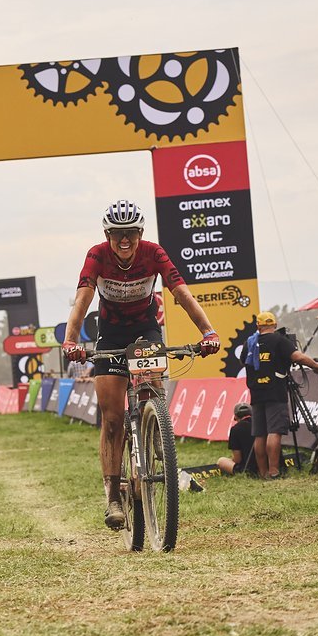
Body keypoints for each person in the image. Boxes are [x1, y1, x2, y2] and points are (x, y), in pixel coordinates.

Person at [61, 201, 221, 529]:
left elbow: (182, 294)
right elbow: (83, 298)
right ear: (107, 235)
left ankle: (156, 429)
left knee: (152, 389)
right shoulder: (97, 255)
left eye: (130, 233)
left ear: (140, 233)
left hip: (146, 331)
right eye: (117, 234)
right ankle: (113, 498)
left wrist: (208, 331)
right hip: (110, 335)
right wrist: (71, 340)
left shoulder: (154, 253)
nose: (124, 240)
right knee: (112, 420)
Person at [241, 311, 318, 479]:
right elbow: (297, 356)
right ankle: (274, 471)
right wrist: (317, 366)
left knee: (260, 434)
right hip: (275, 391)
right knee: (274, 432)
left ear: (258, 326)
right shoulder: (279, 340)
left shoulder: (249, 343)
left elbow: (244, 361)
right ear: (275, 325)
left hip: (256, 392)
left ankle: (263, 472)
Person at [217, 403, 258, 476]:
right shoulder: (261, 424)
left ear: (235, 417)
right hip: (266, 466)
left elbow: (237, 460)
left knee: (221, 461)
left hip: (249, 470)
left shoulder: (235, 429)